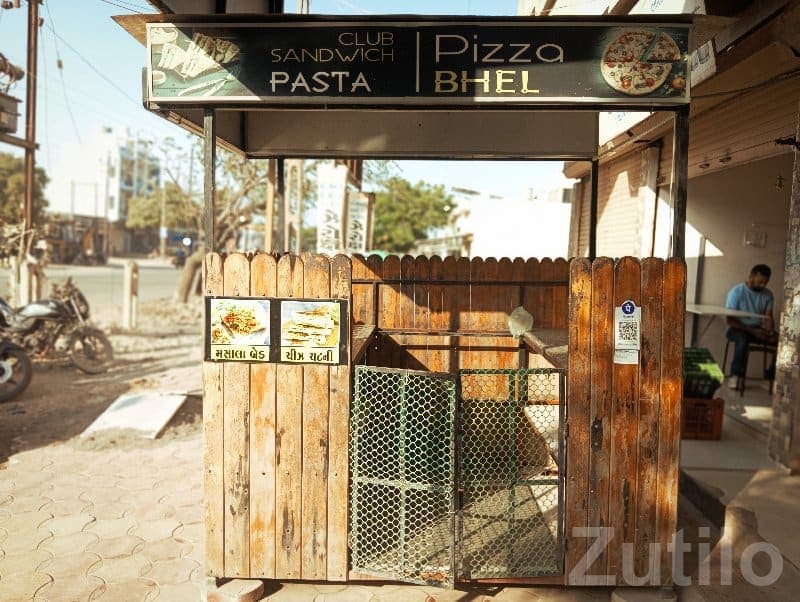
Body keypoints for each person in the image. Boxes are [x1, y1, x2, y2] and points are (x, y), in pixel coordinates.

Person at [725, 264, 778, 386]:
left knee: (783, 343)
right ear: (751, 277)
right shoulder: (736, 292)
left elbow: (769, 317)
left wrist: (769, 333)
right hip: (736, 328)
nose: (763, 285)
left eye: (766, 282)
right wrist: (754, 332)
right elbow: (730, 320)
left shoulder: (768, 294)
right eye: (760, 282)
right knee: (742, 340)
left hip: (757, 329)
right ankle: (736, 377)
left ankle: (771, 377)